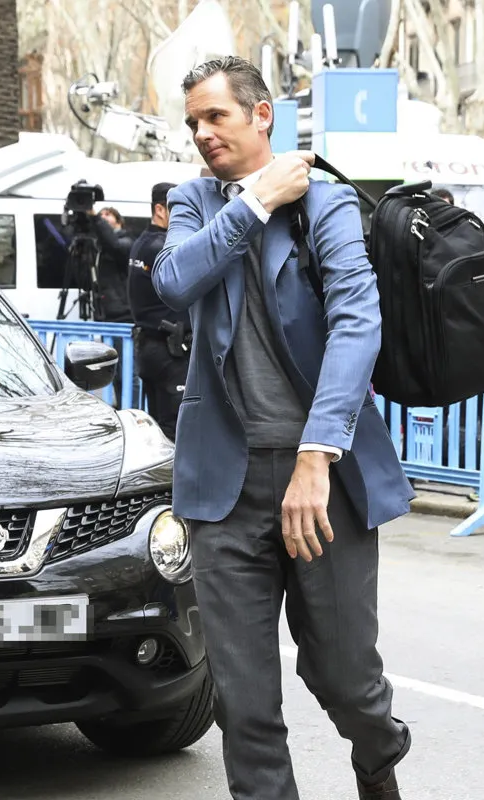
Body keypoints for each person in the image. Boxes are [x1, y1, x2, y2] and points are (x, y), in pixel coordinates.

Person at [151, 56, 414, 800]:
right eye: (194, 121)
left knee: (345, 677)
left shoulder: (324, 203)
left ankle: (378, 753)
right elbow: (173, 283)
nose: (203, 134)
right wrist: (253, 203)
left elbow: (358, 322)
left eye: (217, 117)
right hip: (222, 488)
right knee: (243, 702)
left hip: (320, 479)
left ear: (261, 115)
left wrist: (315, 456)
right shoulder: (198, 203)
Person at [128, 181, 189, 440]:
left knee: (157, 426)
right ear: (160, 210)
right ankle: (171, 482)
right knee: (174, 429)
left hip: (150, 346)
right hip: (169, 349)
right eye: (178, 210)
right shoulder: (163, 247)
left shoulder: (141, 243)